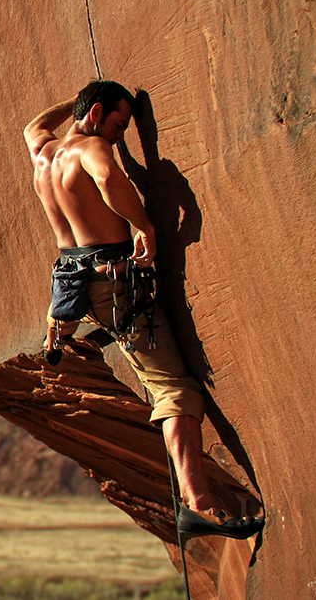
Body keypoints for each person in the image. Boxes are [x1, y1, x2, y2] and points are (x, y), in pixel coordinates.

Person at [24, 80, 263, 539]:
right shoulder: (90, 148)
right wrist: (144, 226)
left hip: (73, 281)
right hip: (112, 283)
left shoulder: (44, 152)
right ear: (95, 115)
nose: (118, 137)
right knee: (173, 387)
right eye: (117, 124)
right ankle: (198, 505)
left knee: (152, 370)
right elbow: (109, 178)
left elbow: (32, 125)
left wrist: (79, 105)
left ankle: (57, 333)